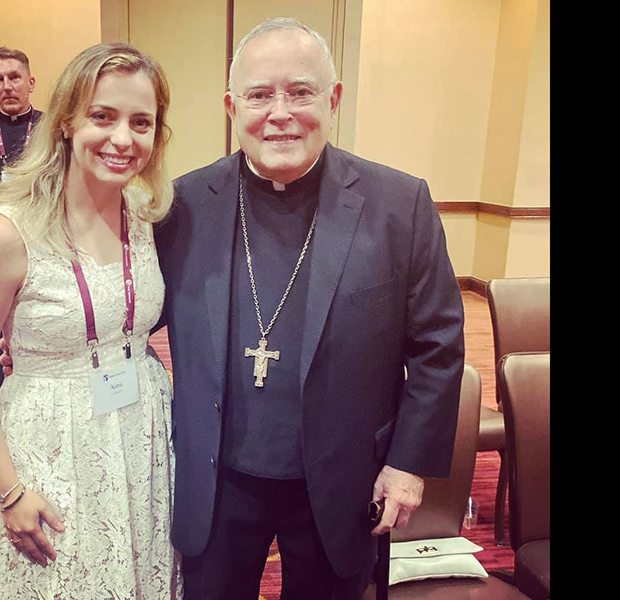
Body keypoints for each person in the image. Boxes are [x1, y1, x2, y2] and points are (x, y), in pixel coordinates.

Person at [154, 18, 464, 600]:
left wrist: (408, 465)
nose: (280, 112)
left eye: (300, 92)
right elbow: (133, 316)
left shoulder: (401, 204)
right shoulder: (184, 204)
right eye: (259, 94)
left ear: (334, 99)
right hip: (217, 479)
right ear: (231, 105)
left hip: (345, 476)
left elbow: (438, 346)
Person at [0, 44, 180, 598]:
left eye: (140, 122)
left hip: (141, 443)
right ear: (67, 119)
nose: (123, 139)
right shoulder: (8, 232)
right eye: (103, 116)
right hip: (46, 452)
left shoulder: (148, 215)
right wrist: (10, 492)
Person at [0, 47, 43, 401]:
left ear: (30, 82)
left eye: (14, 77)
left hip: (39, 242)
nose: (7, 85)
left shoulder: (52, 128)